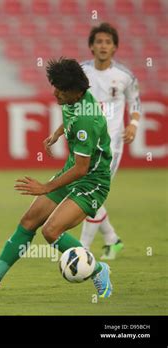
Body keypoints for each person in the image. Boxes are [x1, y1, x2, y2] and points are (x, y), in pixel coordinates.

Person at [0, 58, 113, 298]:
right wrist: (56, 134)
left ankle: (97, 269)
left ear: (76, 91)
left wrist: (46, 187)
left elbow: (82, 169)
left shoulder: (89, 120)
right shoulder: (73, 99)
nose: (55, 92)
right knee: (29, 221)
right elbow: (70, 117)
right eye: (53, 85)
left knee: (51, 231)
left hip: (92, 182)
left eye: (59, 89)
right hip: (71, 171)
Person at [80, 22, 142, 259]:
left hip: (111, 145)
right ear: (91, 47)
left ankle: (82, 248)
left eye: (108, 42)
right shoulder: (82, 72)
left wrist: (133, 124)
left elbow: (135, 103)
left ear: (115, 47)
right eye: (99, 41)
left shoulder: (124, 76)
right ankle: (112, 239)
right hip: (85, 143)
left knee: (92, 193)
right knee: (86, 190)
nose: (103, 46)